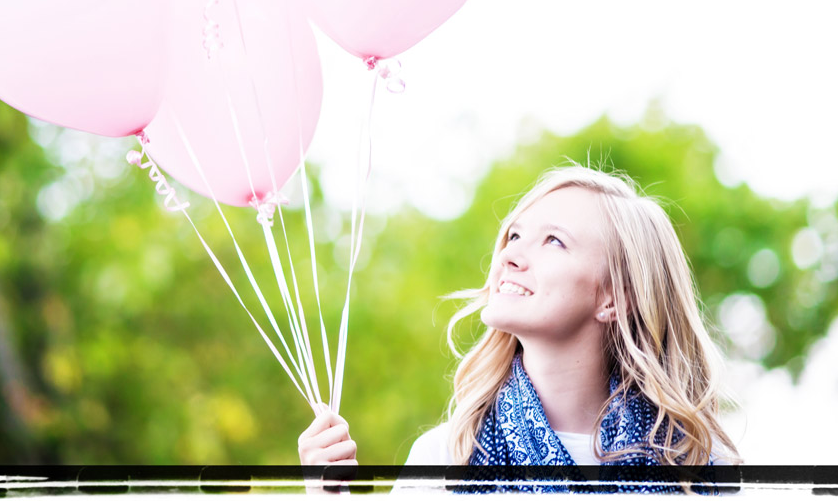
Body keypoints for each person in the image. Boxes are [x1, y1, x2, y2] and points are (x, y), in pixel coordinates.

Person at [297, 164, 740, 489]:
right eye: (513, 236)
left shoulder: (698, 467)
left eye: (553, 240)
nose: (509, 256)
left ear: (615, 297)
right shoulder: (448, 459)